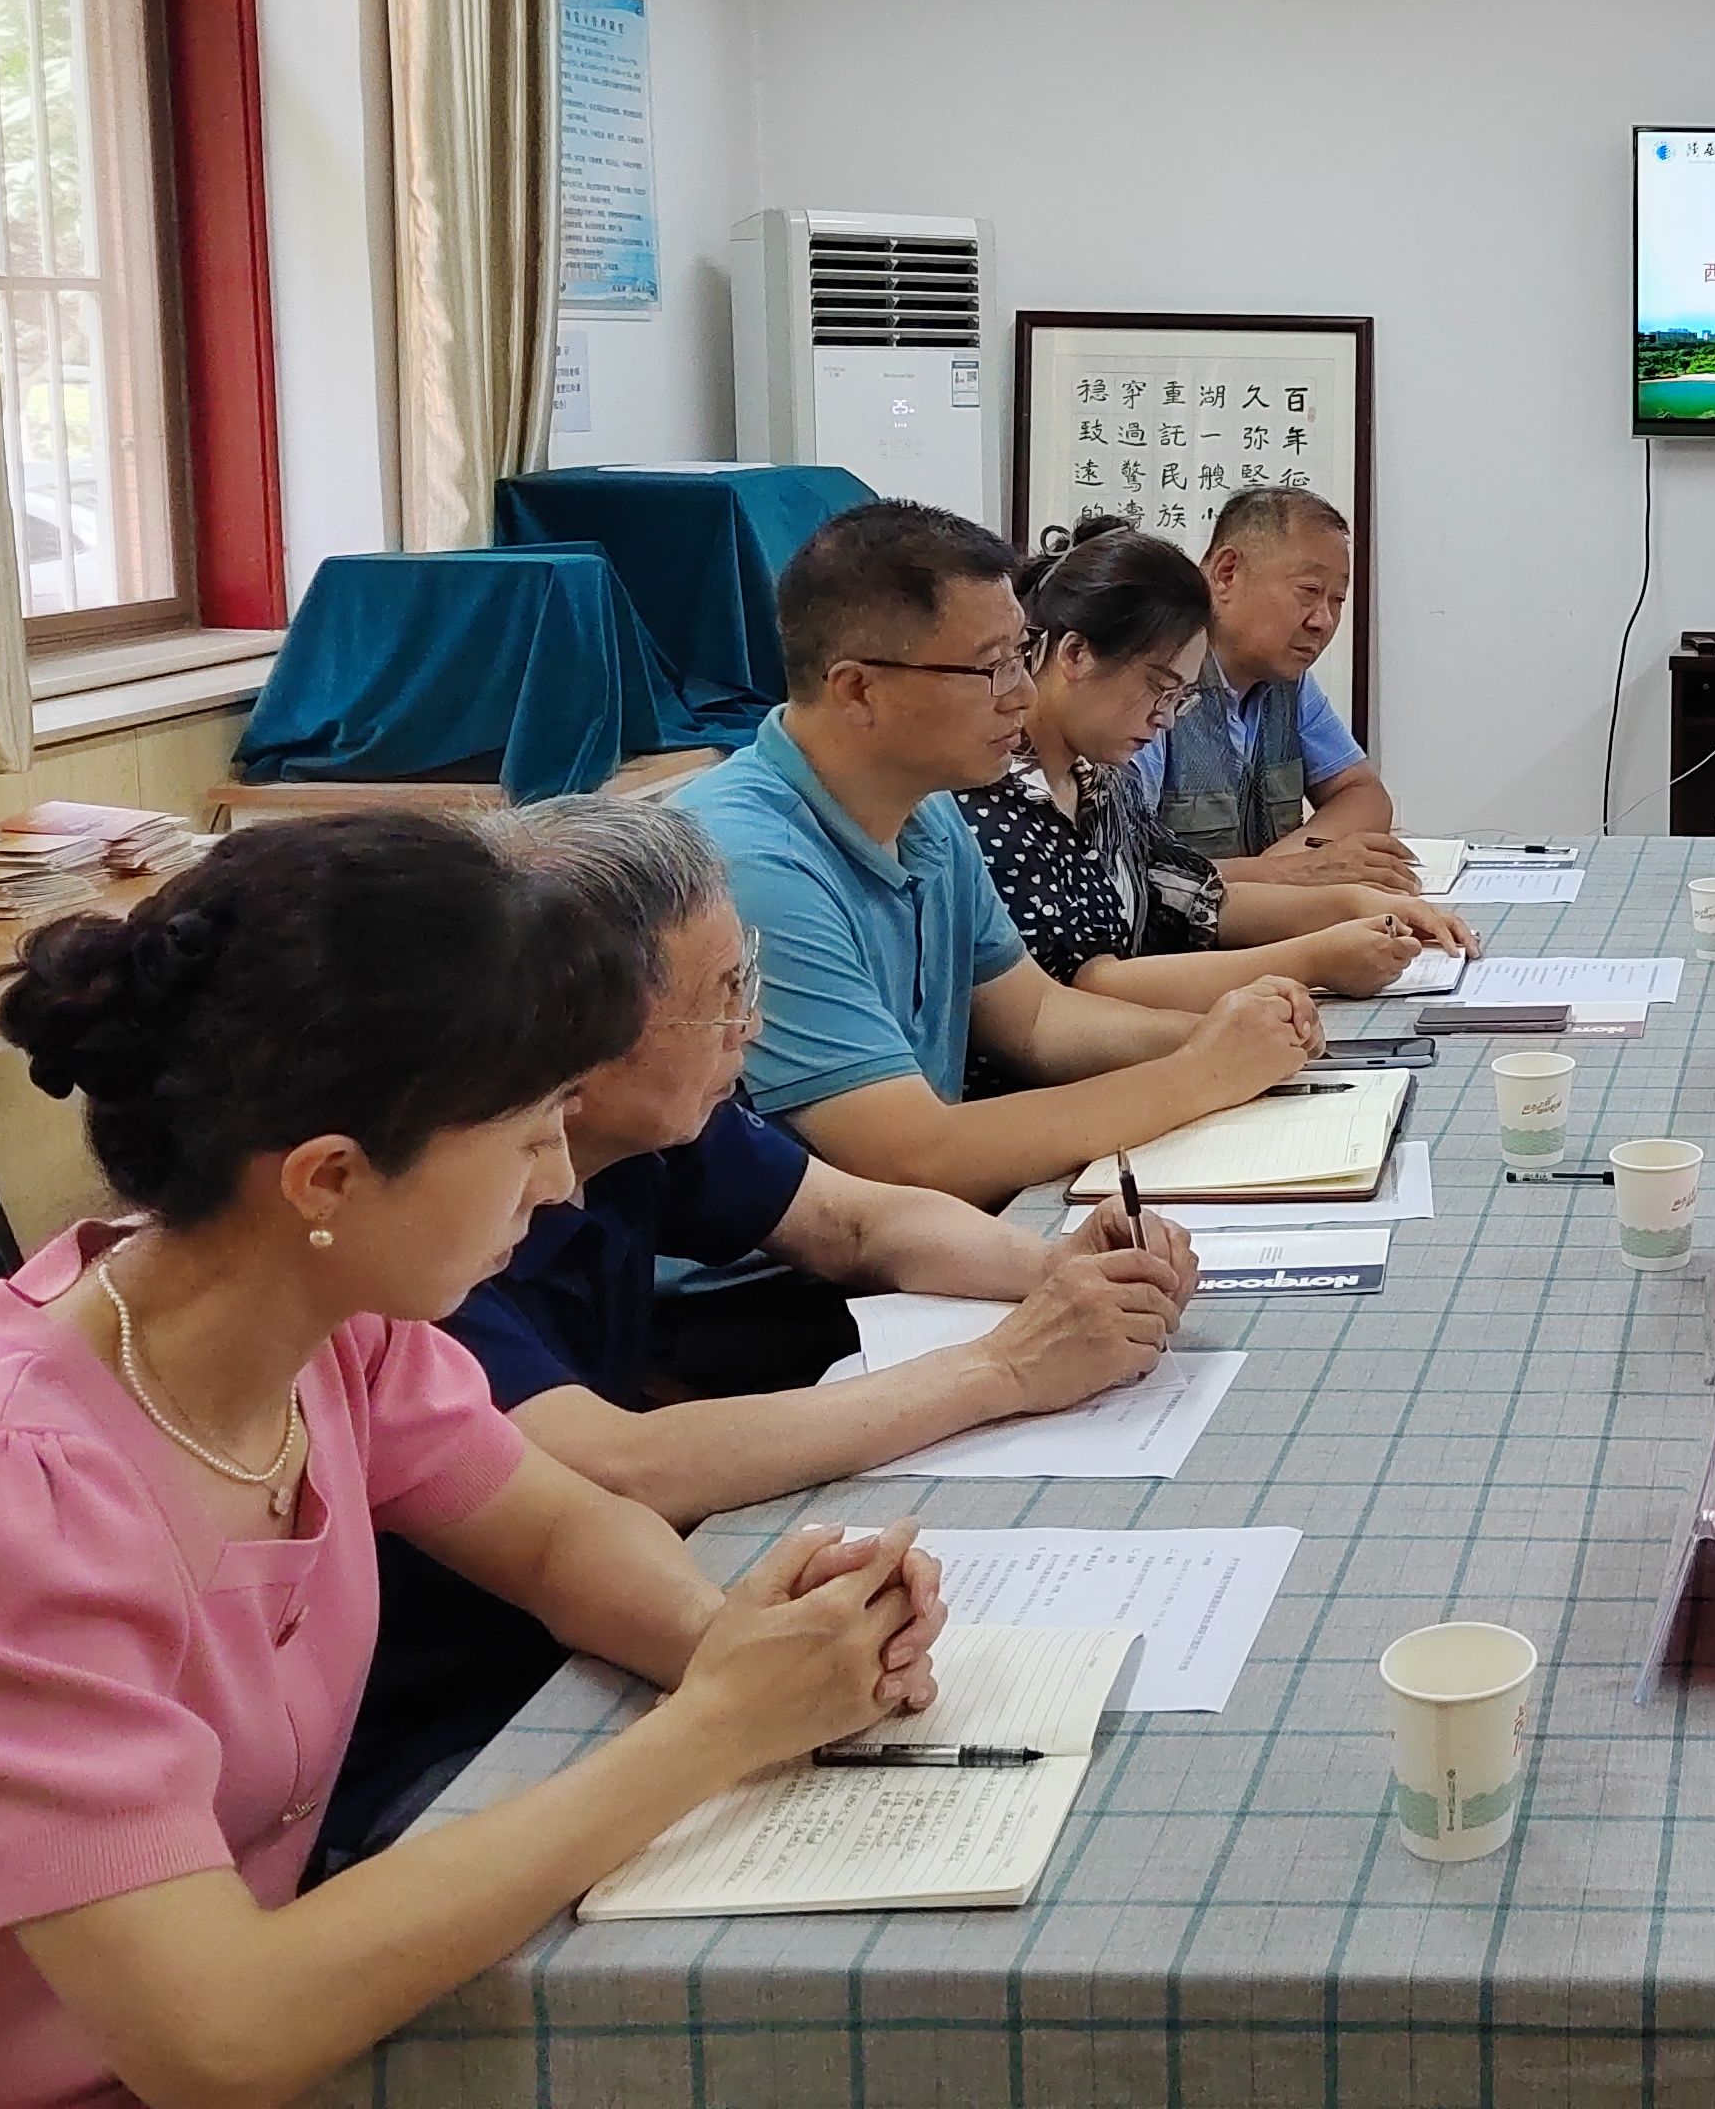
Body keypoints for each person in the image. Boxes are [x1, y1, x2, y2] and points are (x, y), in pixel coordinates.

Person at [0, 815, 943, 2109]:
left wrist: (738, 1645)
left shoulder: (342, 1334)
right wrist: (715, 1727)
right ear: (327, 1179)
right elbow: (220, 2037)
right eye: (529, 1135)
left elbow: (557, 1533)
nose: (560, 1186)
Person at [330, 796, 1206, 1862]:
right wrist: (1003, 1368)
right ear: (578, 1041)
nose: (751, 1025)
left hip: (595, 1642)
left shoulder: (645, 1133)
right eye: (723, 996)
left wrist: (1057, 1269)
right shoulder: (417, 1241)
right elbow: (616, 1467)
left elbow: (852, 1220)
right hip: (450, 1724)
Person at [679, 498, 1325, 1207]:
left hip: (912, 1232)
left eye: (1021, 655)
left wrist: (1221, 1036)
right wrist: (1200, 1073)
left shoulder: (926, 811)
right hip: (792, 1264)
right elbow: (910, 1156)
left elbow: (1037, 1019)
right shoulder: (748, 863)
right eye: (991, 668)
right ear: (859, 689)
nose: (1021, 695)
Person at [959, 518, 1476, 1048]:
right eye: (1158, 688)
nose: (1165, 719)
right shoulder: (995, 807)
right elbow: (1082, 987)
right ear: (1075, 655)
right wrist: (1312, 959)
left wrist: (1351, 904)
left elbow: (1193, 895)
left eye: (1179, 699)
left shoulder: (1099, 780)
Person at [1145, 487, 1421, 893]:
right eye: (1309, 591)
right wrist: (1287, 873)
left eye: (1337, 599)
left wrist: (1293, 863)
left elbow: (1363, 794)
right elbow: (1127, 869)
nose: (1324, 621)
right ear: (1226, 573)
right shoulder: (1152, 678)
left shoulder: (1287, 681)